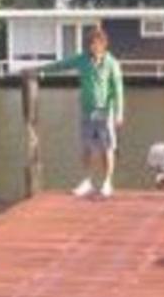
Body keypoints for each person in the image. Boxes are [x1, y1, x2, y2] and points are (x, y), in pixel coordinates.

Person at [37, 27, 124, 198]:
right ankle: (87, 181)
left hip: (105, 111)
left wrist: (119, 113)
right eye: (91, 44)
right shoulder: (82, 59)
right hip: (87, 111)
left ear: (103, 44)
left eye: (97, 43)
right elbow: (61, 65)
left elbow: (118, 90)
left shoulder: (112, 63)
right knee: (87, 148)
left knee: (107, 148)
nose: (94, 47)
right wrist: (40, 69)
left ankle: (107, 182)